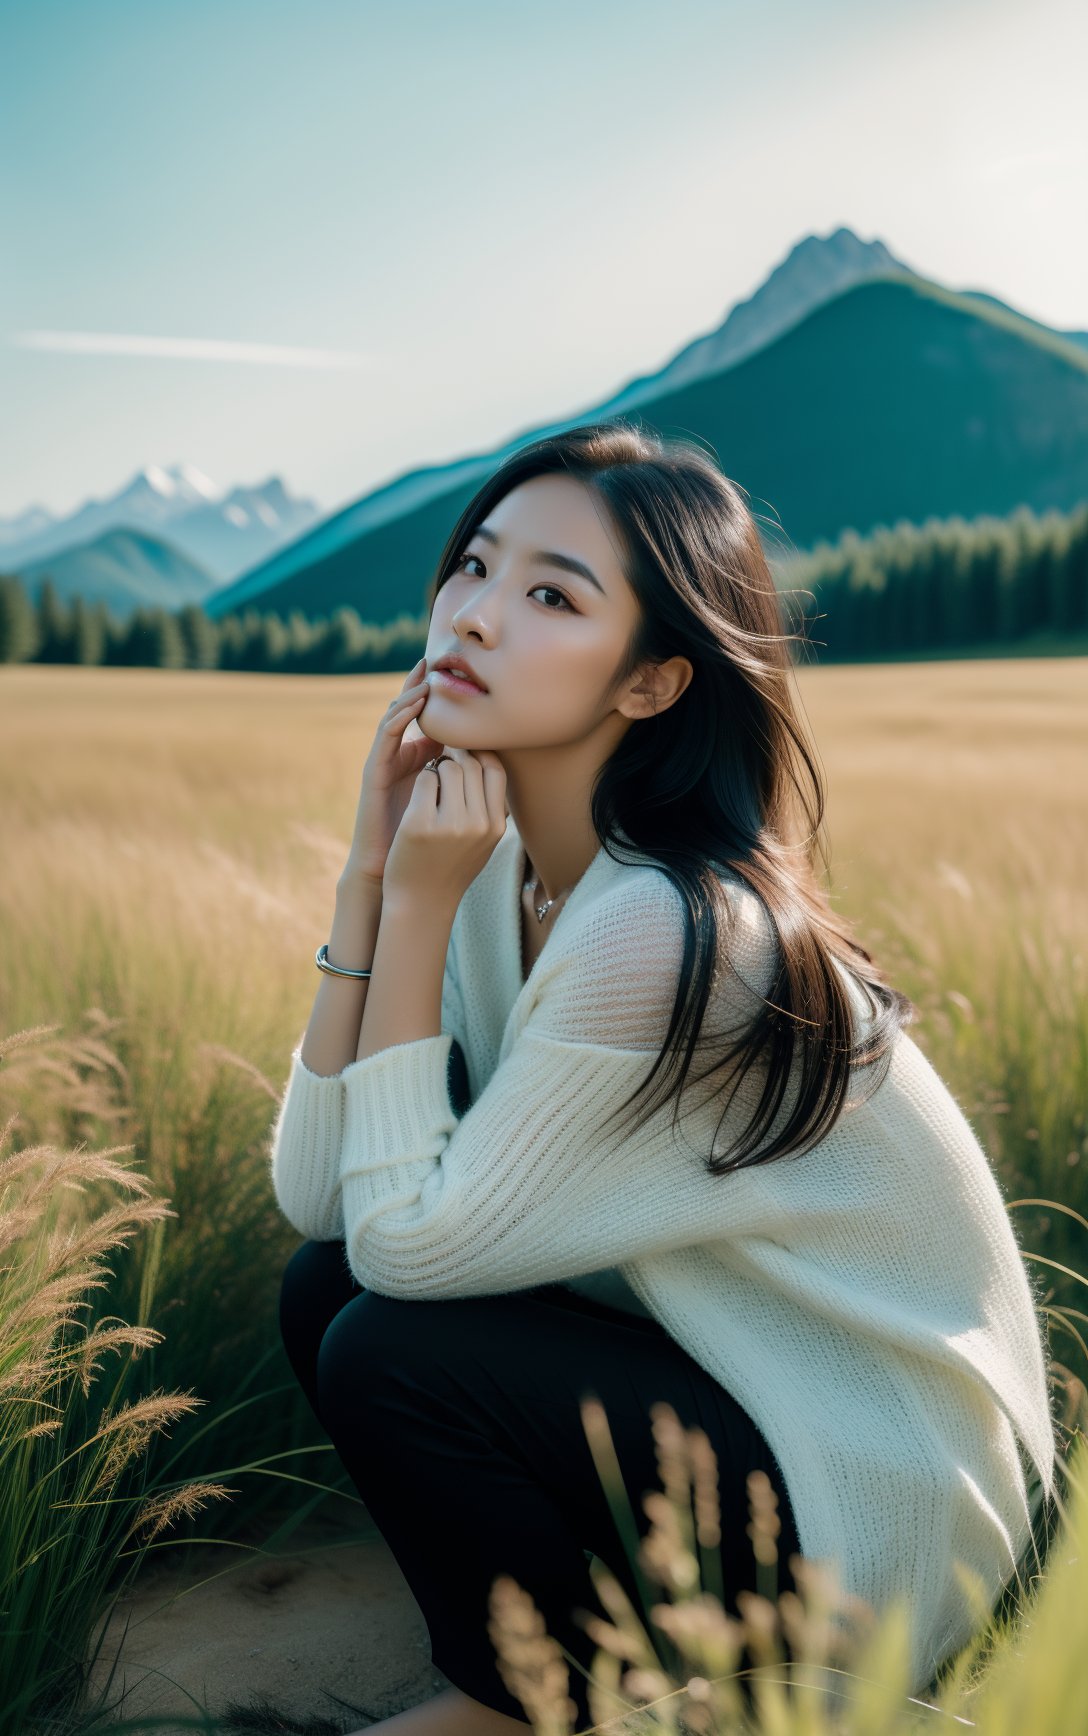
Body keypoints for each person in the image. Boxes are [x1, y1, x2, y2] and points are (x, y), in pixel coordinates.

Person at [272, 420, 1057, 1736]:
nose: (472, 616)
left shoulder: (673, 928)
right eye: (473, 565)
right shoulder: (486, 871)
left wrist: (408, 908)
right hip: (736, 1394)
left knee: (386, 1347)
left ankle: (519, 1705)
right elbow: (324, 1201)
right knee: (326, 1288)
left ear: (650, 684)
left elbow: (404, 1256)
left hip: (889, 1514)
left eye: (550, 597)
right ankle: (548, 1663)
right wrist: (373, 878)